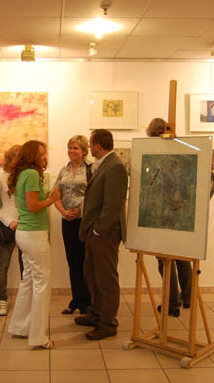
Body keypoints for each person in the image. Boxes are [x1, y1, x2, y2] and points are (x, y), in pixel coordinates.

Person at [146, 118, 214, 317]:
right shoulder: (182, 152)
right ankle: (188, 298)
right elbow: (212, 180)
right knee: (181, 257)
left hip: (165, 217)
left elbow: (156, 189)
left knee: (165, 261)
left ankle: (172, 303)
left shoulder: (159, 158)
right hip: (183, 217)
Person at [6, 140, 60, 349]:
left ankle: (21, 327)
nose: (45, 157)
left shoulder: (23, 174)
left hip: (26, 235)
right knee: (41, 284)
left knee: (28, 280)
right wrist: (53, 199)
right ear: (32, 156)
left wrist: (48, 197)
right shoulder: (31, 174)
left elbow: (31, 203)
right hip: (34, 236)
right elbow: (33, 206)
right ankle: (38, 337)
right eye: (41, 153)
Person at [75, 129, 128, 340]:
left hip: (105, 234)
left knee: (106, 279)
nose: (89, 147)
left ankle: (108, 323)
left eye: (90, 143)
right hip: (95, 232)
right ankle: (96, 314)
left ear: (98, 145)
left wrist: (99, 229)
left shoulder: (115, 166)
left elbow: (113, 205)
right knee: (92, 274)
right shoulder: (105, 164)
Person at [54, 135, 92, 315]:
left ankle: (87, 302)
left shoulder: (91, 169)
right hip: (67, 222)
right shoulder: (64, 170)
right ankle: (76, 299)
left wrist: (79, 210)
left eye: (75, 148)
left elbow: (94, 194)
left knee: (85, 262)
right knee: (73, 262)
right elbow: (56, 195)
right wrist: (63, 212)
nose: (71, 151)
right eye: (70, 147)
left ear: (84, 151)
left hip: (84, 221)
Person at [0, 144, 24, 317]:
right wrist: (9, 222)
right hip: (8, 227)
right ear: (9, 157)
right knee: (3, 264)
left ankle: (26, 300)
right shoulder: (1, 178)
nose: (19, 158)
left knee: (26, 265)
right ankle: (2, 300)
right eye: (16, 155)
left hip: (26, 226)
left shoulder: (27, 176)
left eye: (21, 155)